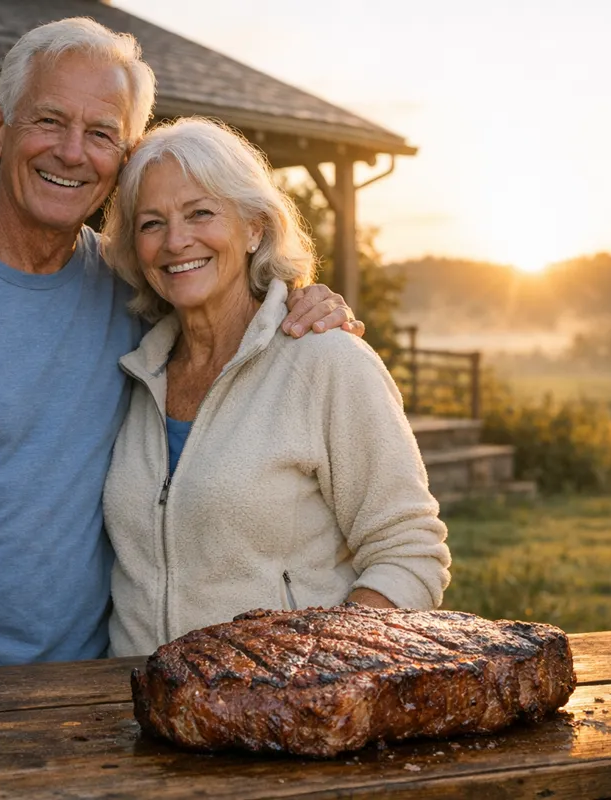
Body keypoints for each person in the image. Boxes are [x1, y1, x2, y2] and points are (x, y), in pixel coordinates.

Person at [0, 18, 362, 676]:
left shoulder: (132, 289)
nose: (71, 152)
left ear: (123, 161)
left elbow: (223, 294)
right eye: (49, 121)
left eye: (101, 134)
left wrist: (302, 301)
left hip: (96, 694)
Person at [100, 118, 451, 657]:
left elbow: (409, 554)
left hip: (277, 717)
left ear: (255, 228)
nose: (176, 241)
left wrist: (320, 672)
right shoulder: (132, 369)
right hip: (137, 713)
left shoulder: (327, 359)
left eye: (201, 213)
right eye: (152, 223)